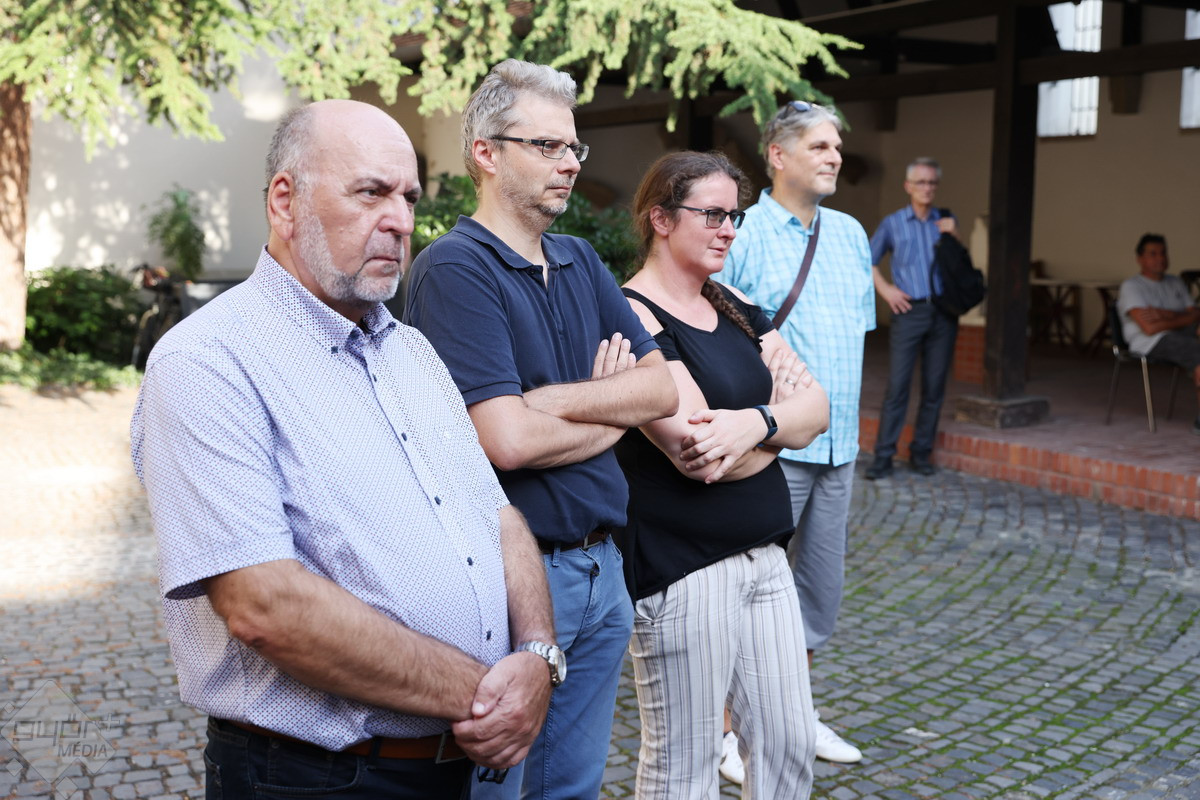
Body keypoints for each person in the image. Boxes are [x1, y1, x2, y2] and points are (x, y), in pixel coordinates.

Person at [130, 100, 558, 800]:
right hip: (316, 778)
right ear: (285, 201)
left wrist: (538, 654)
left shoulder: (411, 351)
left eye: (409, 198)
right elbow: (264, 605)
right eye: (370, 193)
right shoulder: (207, 361)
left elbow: (498, 515)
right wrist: (488, 695)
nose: (400, 221)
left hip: (450, 767)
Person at [403, 60, 678, 799]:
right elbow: (507, 441)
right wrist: (610, 409)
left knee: (573, 791)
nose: (570, 163)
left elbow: (661, 389)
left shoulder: (579, 258)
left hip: (603, 571)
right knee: (496, 789)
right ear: (486, 153)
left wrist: (550, 402)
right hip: (514, 581)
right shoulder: (454, 269)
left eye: (573, 147)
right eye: (548, 146)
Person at [615, 151, 829, 799]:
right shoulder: (632, 314)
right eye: (712, 214)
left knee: (789, 742)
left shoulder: (734, 304)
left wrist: (753, 424)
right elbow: (698, 450)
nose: (729, 229)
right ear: (660, 219)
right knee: (685, 763)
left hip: (766, 555)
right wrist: (776, 424)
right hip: (685, 568)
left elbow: (817, 410)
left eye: (733, 215)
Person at [718, 100, 874, 765]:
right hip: (773, 447)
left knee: (815, 594)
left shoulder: (851, 234)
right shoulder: (743, 231)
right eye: (819, 146)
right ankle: (728, 731)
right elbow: (713, 331)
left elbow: (858, 334)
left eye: (836, 146)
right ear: (778, 156)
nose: (834, 156)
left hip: (840, 447)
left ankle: (795, 715)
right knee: (748, 585)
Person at [864, 157, 959, 479]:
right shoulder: (893, 223)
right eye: (921, 182)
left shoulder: (945, 220)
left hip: (943, 313)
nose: (927, 188)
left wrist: (955, 234)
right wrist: (886, 290)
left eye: (932, 183)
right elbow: (867, 260)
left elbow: (961, 262)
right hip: (909, 313)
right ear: (908, 186)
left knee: (934, 387)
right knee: (898, 386)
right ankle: (883, 456)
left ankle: (921, 453)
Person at [1117, 233, 1200, 434]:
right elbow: (1149, 328)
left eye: (1163, 253)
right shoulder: (1132, 286)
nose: (1160, 258)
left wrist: (1165, 315)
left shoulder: (1175, 282)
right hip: (1150, 341)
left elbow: (1196, 314)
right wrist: (1182, 317)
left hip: (1180, 333)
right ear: (1140, 258)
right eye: (1153, 254)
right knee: (1196, 351)